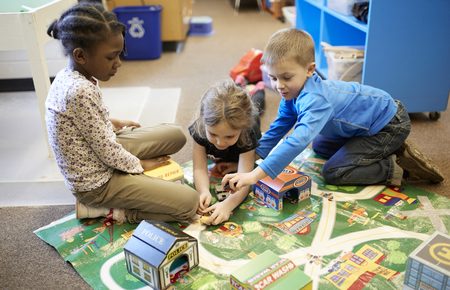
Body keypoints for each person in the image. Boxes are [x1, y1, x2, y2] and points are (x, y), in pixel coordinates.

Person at [222, 28, 444, 192]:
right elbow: (277, 129)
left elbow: (296, 141)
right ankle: (378, 151)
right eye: (273, 78)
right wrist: (248, 162)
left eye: (286, 77)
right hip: (366, 122)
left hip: (389, 124)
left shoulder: (316, 99)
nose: (279, 85)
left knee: (334, 172)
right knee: (319, 145)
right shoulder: (291, 92)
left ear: (310, 70)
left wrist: (254, 176)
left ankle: (393, 166)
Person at [45, 2, 199, 224]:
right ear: (80, 56)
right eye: (111, 57)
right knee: (189, 203)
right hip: (97, 184)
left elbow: (87, 125)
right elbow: (106, 150)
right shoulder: (78, 91)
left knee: (175, 134)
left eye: (120, 54)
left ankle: (127, 176)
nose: (118, 63)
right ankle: (107, 210)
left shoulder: (73, 75)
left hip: (100, 153)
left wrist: (113, 122)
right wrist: (140, 166)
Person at [189, 80, 261, 225]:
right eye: (213, 134)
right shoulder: (200, 128)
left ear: (241, 129)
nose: (220, 143)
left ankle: (258, 88)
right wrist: (203, 191)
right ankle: (241, 84)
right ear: (204, 122)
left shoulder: (248, 131)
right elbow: (199, 168)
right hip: (230, 155)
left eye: (229, 136)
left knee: (258, 103)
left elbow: (244, 180)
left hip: (242, 150)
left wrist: (227, 205)